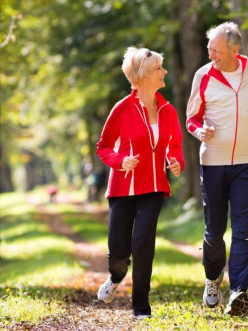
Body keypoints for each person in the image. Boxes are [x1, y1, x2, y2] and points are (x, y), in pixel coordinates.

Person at [186, 22, 248, 316]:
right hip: (213, 163)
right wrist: (200, 132)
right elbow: (191, 119)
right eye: (209, 49)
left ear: (234, 50)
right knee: (214, 232)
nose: (210, 54)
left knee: (243, 230)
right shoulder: (203, 75)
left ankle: (238, 292)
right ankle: (213, 279)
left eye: (216, 50)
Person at [95, 46, 184, 320]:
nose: (164, 72)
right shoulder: (122, 109)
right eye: (159, 68)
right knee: (118, 254)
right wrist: (120, 161)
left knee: (143, 243)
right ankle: (116, 275)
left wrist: (175, 161)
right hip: (123, 188)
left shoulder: (167, 110)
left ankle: (141, 308)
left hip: (154, 186)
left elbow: (175, 145)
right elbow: (103, 146)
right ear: (144, 75)